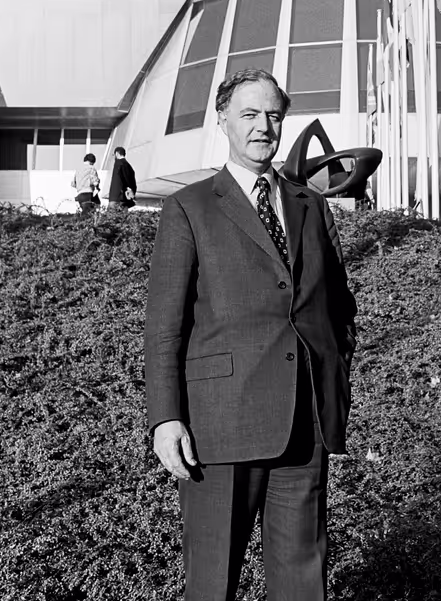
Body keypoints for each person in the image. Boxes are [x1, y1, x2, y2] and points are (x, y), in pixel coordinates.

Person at [145, 68, 357, 601]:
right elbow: (165, 325)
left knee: (303, 586)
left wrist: (333, 382)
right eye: (249, 114)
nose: (263, 126)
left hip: (302, 426)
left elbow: (339, 307)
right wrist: (166, 418)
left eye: (273, 116)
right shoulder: (189, 207)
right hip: (220, 426)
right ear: (223, 121)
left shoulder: (310, 206)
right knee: (213, 584)